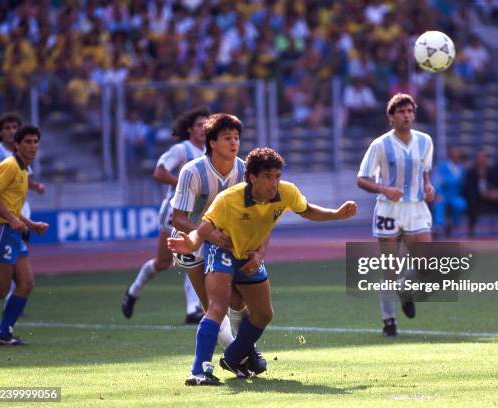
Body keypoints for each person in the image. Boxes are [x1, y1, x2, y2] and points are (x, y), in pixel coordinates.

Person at [168, 147, 358, 386]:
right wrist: (191, 241)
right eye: (268, 176)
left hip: (249, 255)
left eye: (277, 176)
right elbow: (204, 230)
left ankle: (234, 356)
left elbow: (307, 210)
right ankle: (199, 371)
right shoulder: (228, 200)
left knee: (264, 314)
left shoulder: (286, 192)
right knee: (217, 306)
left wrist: (337, 214)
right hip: (222, 252)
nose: (274, 182)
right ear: (251, 177)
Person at [170, 113, 268, 385]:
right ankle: (228, 359)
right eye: (227, 138)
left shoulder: (244, 170)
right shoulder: (193, 171)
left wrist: (257, 250)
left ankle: (242, 352)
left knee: (238, 301)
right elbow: (177, 218)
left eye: (236, 137)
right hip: (193, 243)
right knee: (214, 305)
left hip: (227, 243)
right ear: (212, 142)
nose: (234, 142)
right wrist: (209, 233)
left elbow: (257, 214)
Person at [356, 93, 435, 337]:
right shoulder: (380, 145)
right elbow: (362, 179)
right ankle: (388, 320)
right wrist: (384, 189)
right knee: (389, 267)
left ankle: (404, 288)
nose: (407, 116)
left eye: (410, 111)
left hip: (416, 207)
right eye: (401, 112)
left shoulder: (425, 141)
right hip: (389, 209)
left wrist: (429, 188)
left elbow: (425, 175)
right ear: (391, 117)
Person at [122, 106, 209, 323]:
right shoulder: (182, 150)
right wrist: (184, 183)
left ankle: (193, 309)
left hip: (196, 213)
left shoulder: (210, 152)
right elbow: (159, 172)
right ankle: (133, 291)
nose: (203, 129)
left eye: (206, 125)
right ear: (189, 129)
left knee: (196, 253)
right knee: (163, 262)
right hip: (174, 210)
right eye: (199, 125)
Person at [0, 125, 48, 345]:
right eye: (28, 142)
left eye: (35, 141)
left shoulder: (23, 169)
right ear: (17, 145)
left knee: (26, 283)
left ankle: (3, 335)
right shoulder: (10, 166)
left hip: (13, 232)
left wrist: (30, 223)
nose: (33, 146)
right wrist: (12, 220)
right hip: (1, 230)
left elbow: (11, 204)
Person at [463, 150, 498, 237]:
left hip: (489, 196)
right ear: (476, 159)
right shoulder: (471, 172)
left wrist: (493, 192)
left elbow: (496, 184)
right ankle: (471, 230)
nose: (481, 160)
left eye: (483, 158)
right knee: (473, 202)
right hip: (477, 197)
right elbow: (468, 188)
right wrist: (481, 193)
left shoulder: (491, 171)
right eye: (479, 158)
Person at [433, 146, 467, 236]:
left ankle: (453, 223)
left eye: (457, 153)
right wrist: (438, 192)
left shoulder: (462, 168)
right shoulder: (442, 167)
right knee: (439, 202)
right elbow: (436, 181)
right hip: (443, 194)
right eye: (454, 153)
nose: (456, 155)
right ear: (450, 155)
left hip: (454, 195)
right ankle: (438, 226)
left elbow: (463, 184)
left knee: (461, 204)